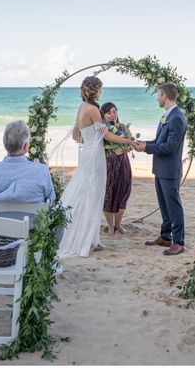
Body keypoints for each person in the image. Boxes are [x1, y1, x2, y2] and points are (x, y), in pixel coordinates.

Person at [57, 76, 135, 259]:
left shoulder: (82, 108)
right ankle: (88, 240)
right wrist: (129, 141)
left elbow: (77, 136)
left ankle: (93, 238)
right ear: (95, 90)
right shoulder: (93, 110)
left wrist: (91, 140)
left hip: (87, 154)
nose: (101, 92)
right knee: (94, 195)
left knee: (87, 192)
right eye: (100, 89)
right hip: (95, 158)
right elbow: (107, 135)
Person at [135, 82, 188, 256]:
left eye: (158, 95)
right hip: (160, 168)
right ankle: (165, 236)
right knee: (164, 205)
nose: (157, 98)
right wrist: (144, 144)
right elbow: (160, 142)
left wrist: (146, 149)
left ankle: (178, 242)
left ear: (165, 96)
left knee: (174, 206)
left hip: (170, 170)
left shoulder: (177, 117)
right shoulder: (167, 115)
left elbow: (170, 147)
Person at [0, 120, 56, 215]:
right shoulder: (42, 171)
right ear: (25, 146)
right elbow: (51, 203)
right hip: (33, 228)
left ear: (5, 144)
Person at [100, 102, 133, 236]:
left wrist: (122, 149)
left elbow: (131, 144)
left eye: (114, 112)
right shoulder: (101, 129)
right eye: (109, 112)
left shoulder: (124, 128)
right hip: (107, 164)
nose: (113, 115)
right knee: (108, 194)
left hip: (123, 163)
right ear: (103, 115)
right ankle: (110, 225)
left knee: (123, 192)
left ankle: (118, 224)